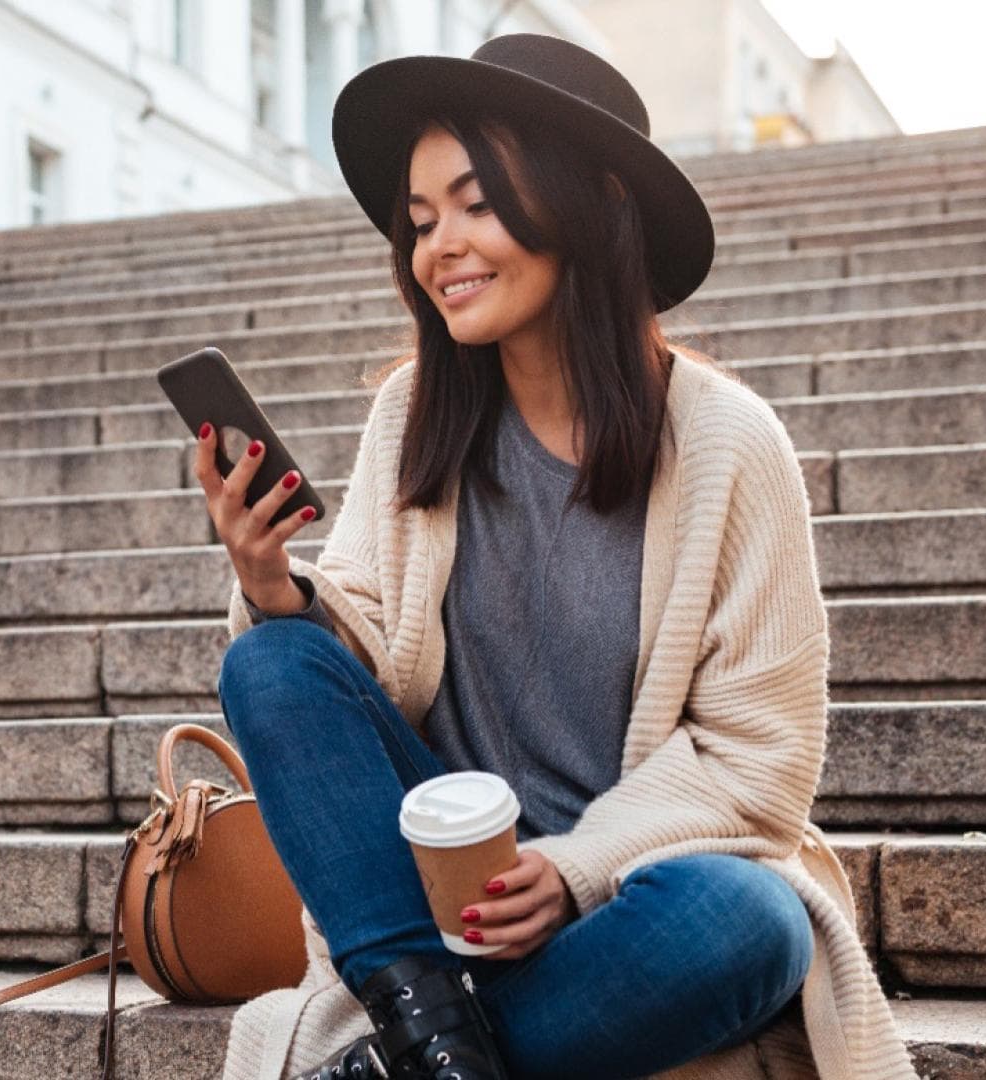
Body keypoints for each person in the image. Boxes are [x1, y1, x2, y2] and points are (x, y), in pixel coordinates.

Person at [194, 34, 919, 1080]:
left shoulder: (728, 443)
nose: (439, 245)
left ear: (590, 206)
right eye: (420, 220)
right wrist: (272, 585)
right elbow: (362, 658)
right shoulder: (414, 414)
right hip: (434, 915)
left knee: (755, 921)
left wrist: (575, 870)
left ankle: (414, 1063)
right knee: (270, 660)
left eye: (477, 203)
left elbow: (759, 762)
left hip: (623, 902)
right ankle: (431, 1031)